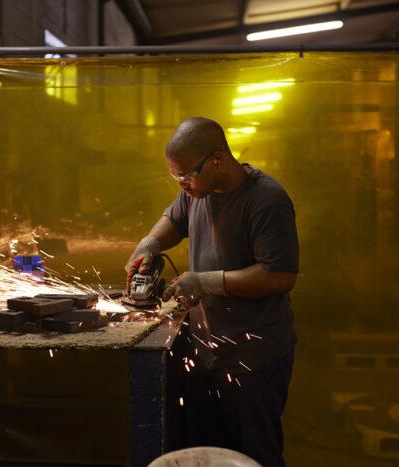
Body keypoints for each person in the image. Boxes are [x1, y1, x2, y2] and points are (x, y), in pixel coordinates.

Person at [125, 117, 299, 466]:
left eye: (187, 177)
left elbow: (279, 276)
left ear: (217, 159)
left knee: (253, 455)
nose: (183, 186)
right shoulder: (198, 191)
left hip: (252, 358)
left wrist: (206, 282)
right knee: (207, 454)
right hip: (205, 351)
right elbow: (174, 221)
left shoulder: (267, 200)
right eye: (177, 179)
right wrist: (150, 243)